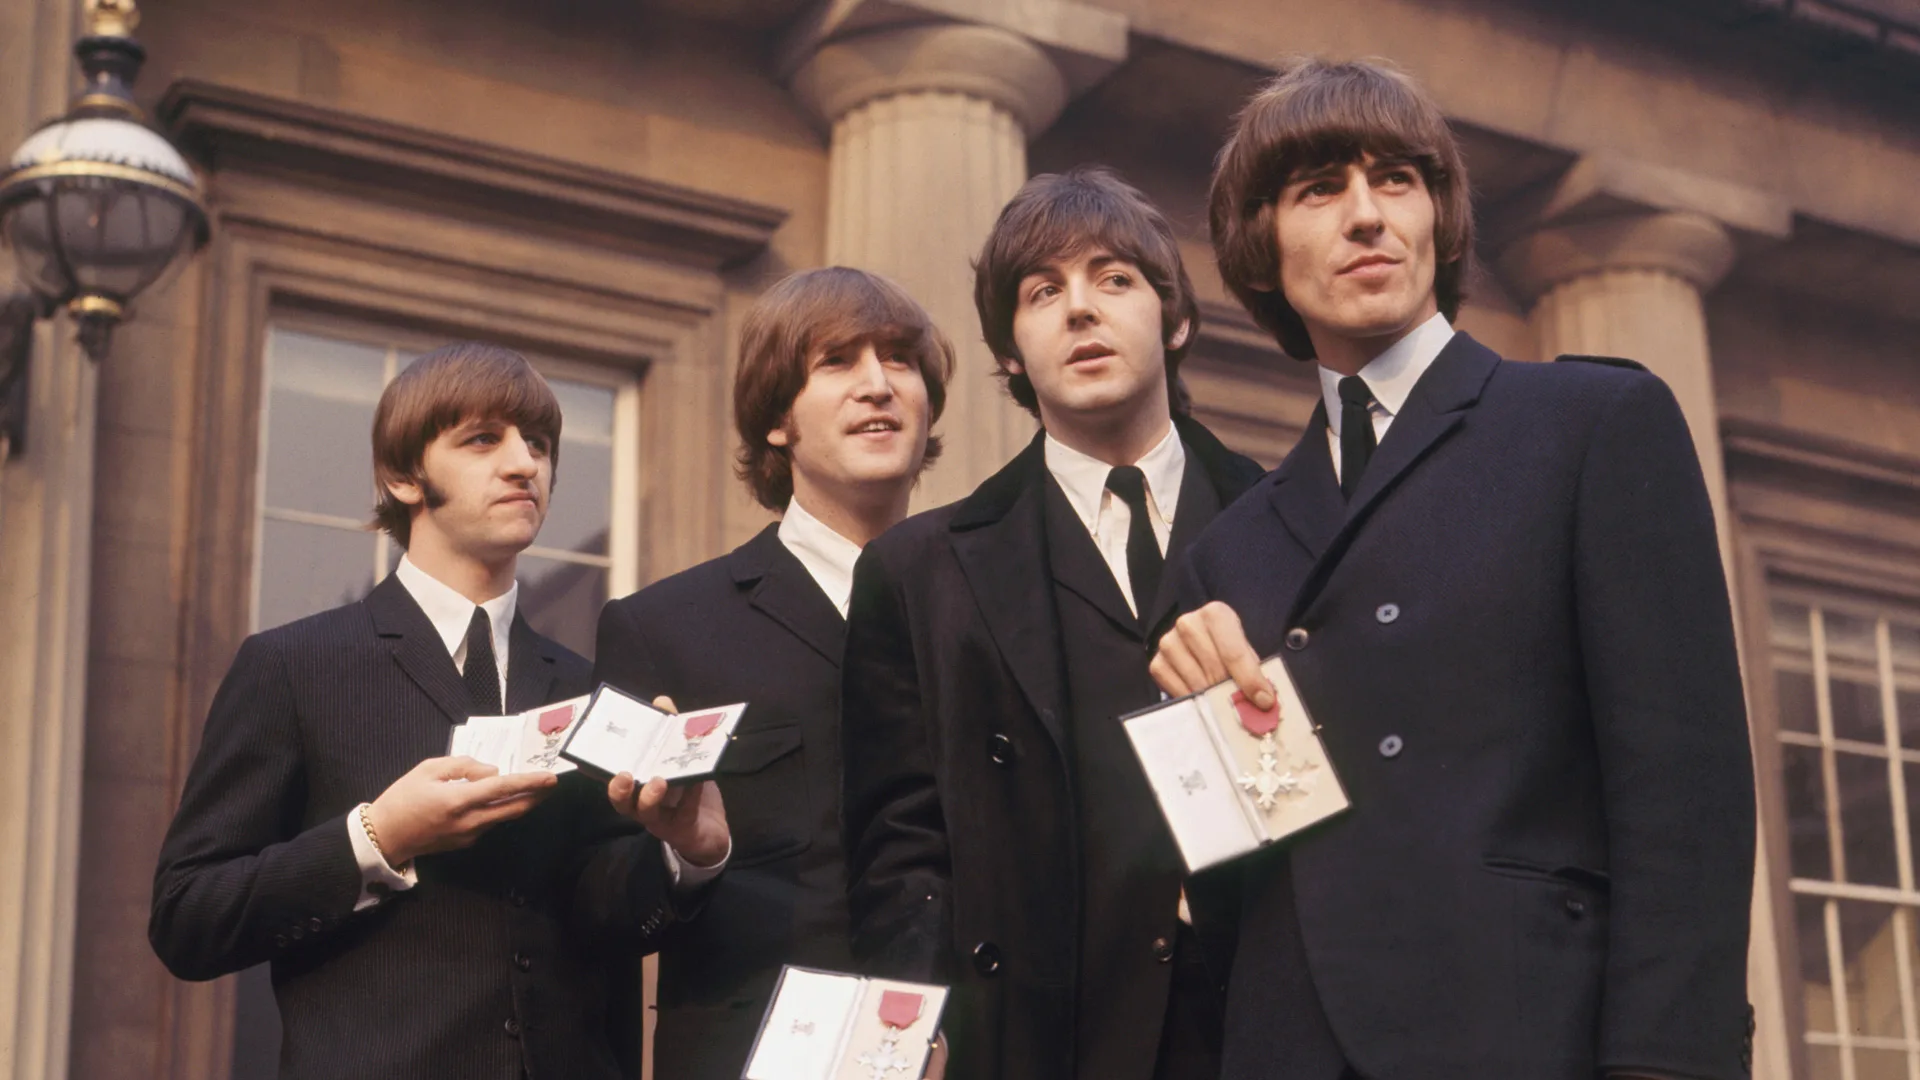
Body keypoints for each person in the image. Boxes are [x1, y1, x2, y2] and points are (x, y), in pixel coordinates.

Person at [1149, 56, 1755, 1080]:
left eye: (1397, 179)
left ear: (1438, 217)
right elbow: (1237, 891)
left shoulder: (1591, 426)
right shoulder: (1224, 549)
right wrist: (1207, 730)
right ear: (1263, 245)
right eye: (1319, 190)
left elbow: (1685, 797)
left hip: (1522, 1033)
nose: (1367, 215)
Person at [149, 342, 730, 1080]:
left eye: (540, 444)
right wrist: (377, 837)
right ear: (402, 476)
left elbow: (601, 919)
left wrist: (687, 854)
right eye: (484, 439)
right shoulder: (294, 666)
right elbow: (186, 915)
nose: (526, 463)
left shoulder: (589, 689)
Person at [839, 167, 1267, 1080]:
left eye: (1114, 280)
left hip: (1258, 1020)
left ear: (1176, 319)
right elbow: (901, 842)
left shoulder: (1292, 522)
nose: (1080, 311)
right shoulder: (920, 571)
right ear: (1008, 354)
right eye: (1044, 293)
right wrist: (910, 1026)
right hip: (1034, 1038)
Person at [593, 266, 953, 1080]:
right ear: (776, 420)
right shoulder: (661, 630)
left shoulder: (994, 612)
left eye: (900, 360)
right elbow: (595, 901)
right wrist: (691, 855)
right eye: (836, 362)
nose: (877, 385)